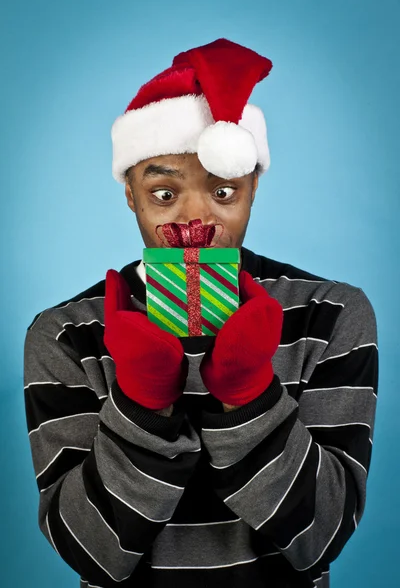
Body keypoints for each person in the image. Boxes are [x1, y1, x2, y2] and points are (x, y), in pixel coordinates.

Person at [23, 38, 378, 588]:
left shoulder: (330, 314)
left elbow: (323, 538)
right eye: (164, 193)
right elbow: (91, 556)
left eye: (224, 190)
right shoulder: (65, 334)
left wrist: (250, 392)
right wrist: (140, 403)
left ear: (254, 187)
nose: (196, 218)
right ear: (129, 195)